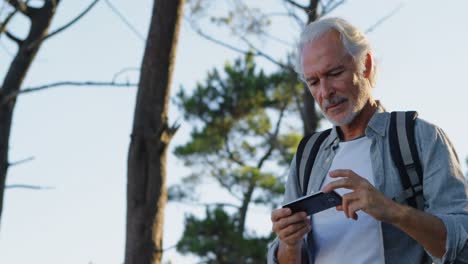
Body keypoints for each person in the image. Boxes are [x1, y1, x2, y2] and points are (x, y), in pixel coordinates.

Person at [267, 17, 468, 264]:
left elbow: (463, 246)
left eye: (335, 73)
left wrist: (395, 212)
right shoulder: (308, 155)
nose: (325, 91)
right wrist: (290, 243)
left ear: (366, 65)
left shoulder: (420, 138)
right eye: (313, 81)